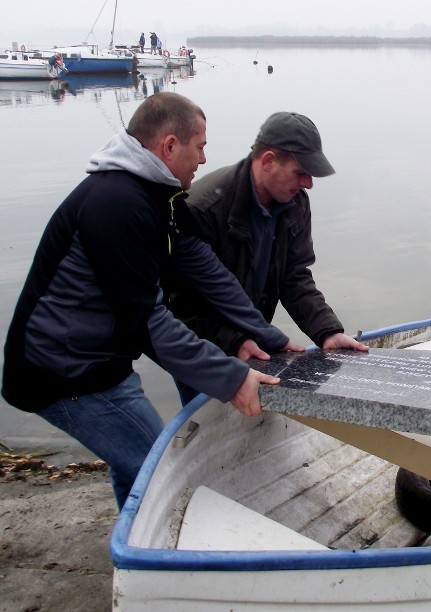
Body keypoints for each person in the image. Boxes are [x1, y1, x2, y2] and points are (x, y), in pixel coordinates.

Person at [1, 92, 292, 510]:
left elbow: (204, 268)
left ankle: (135, 550)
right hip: (63, 372)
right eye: (200, 146)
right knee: (159, 471)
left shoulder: (161, 196)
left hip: (102, 361)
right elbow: (147, 321)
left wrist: (267, 336)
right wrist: (233, 379)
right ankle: (151, 564)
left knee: (134, 462)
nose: (205, 159)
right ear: (169, 146)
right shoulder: (115, 203)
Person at [169, 112, 368, 405]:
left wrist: (326, 331)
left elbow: (295, 277)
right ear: (268, 161)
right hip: (203, 350)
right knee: (207, 425)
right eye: (301, 172)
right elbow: (176, 305)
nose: (309, 183)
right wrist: (233, 341)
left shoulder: (295, 202)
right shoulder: (201, 209)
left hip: (257, 343)